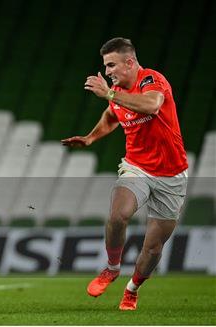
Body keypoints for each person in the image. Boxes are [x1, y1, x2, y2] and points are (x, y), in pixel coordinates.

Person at [61, 37, 188, 311]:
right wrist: (90, 138)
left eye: (111, 65)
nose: (107, 72)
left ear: (129, 63)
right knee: (118, 214)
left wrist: (108, 93)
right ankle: (111, 267)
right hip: (136, 167)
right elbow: (111, 115)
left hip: (171, 174)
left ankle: (132, 289)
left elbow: (152, 105)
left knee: (153, 249)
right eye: (106, 67)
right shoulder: (118, 92)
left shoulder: (151, 80)